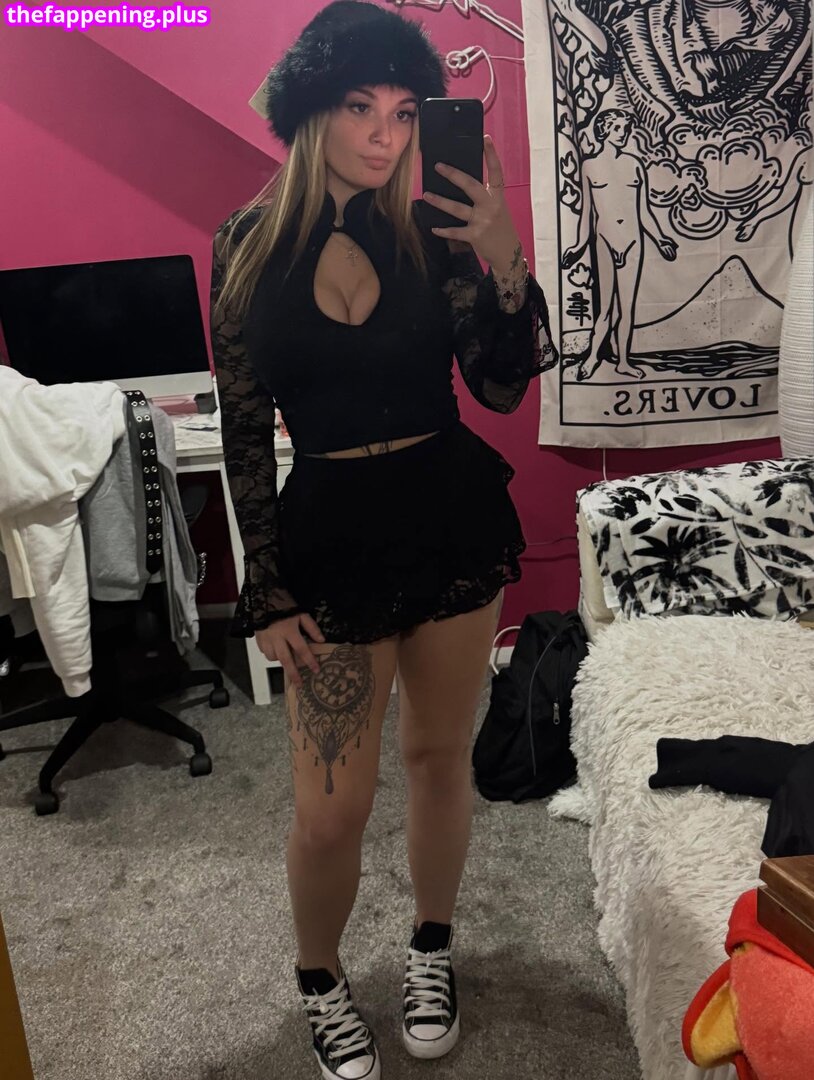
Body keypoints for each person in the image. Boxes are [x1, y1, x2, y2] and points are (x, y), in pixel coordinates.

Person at [210, 3, 555, 1077]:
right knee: (331, 810)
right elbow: (242, 429)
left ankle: (430, 947)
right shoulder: (243, 245)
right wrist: (264, 589)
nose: (384, 133)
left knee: (439, 759)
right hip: (331, 542)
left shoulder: (434, 234)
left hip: (448, 519)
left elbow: (502, 387)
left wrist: (503, 258)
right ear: (311, 107)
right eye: (361, 106)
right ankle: (320, 980)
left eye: (406, 112)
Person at [562, 109, 677, 383]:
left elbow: (644, 211)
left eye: (625, 129)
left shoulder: (634, 164)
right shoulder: (589, 166)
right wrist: (578, 246)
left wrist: (660, 238)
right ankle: (593, 356)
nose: (623, 133)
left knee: (626, 307)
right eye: (617, 128)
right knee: (605, 308)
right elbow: (587, 214)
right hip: (604, 240)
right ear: (604, 131)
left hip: (633, 241)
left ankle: (623, 361)